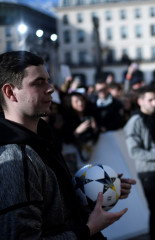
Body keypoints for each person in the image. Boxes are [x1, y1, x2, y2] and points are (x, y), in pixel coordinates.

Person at [0, 51, 136, 239]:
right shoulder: (15, 157)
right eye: (38, 83)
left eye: (48, 81)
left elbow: (54, 205)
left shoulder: (42, 138)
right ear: (10, 92)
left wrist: (101, 188)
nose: (51, 89)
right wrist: (89, 229)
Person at [124, 86, 155, 240]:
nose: (154, 103)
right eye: (150, 100)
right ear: (140, 101)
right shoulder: (134, 122)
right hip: (148, 172)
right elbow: (134, 151)